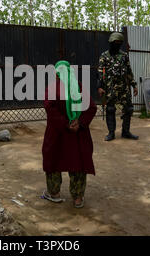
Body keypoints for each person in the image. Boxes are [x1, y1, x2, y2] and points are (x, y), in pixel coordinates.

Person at [41, 60, 97, 208]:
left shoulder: (52, 88)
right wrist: (79, 122)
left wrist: (65, 124)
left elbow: (50, 109)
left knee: (53, 160)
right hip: (77, 135)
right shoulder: (78, 86)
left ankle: (54, 193)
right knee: (77, 162)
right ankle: (78, 198)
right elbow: (91, 107)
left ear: (57, 72)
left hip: (58, 133)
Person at [98, 32, 139, 141]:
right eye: (115, 42)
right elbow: (100, 72)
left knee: (129, 109)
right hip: (110, 87)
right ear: (111, 42)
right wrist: (100, 86)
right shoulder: (104, 56)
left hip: (124, 87)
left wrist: (134, 85)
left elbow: (129, 71)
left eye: (119, 43)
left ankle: (126, 132)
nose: (117, 44)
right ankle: (111, 133)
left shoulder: (124, 56)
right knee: (110, 109)